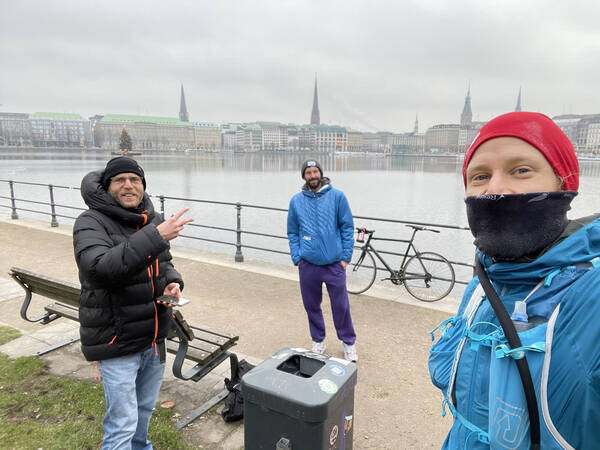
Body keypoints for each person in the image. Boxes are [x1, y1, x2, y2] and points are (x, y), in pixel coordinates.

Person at [428, 112, 600, 449]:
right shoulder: (481, 282)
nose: (494, 189)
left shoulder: (593, 295)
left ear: (563, 184)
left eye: (521, 170)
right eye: (480, 176)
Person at [73, 157, 193, 449]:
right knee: (122, 423)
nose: (128, 185)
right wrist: (156, 235)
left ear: (143, 186)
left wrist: (172, 283)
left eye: (135, 179)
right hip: (117, 340)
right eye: (120, 180)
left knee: (142, 412)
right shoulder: (90, 222)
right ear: (107, 186)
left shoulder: (149, 220)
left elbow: (164, 264)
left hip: (153, 338)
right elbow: (101, 269)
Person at [287, 160, 358, 362]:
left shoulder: (337, 197)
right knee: (311, 305)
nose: (312, 175)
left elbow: (347, 227)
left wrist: (345, 257)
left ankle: (348, 342)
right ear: (304, 176)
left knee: (341, 305)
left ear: (321, 173)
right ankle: (318, 340)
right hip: (308, 264)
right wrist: (297, 257)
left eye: (315, 171)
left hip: (334, 264)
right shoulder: (296, 201)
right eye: (308, 173)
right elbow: (292, 231)